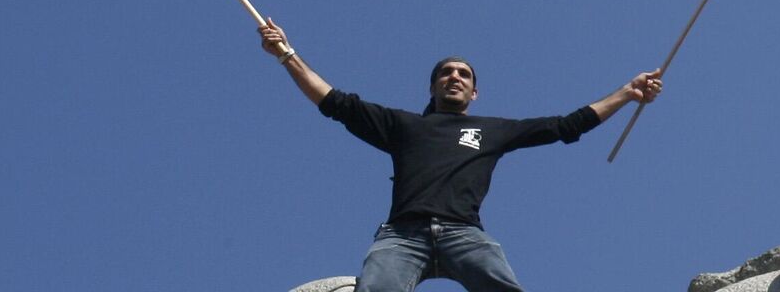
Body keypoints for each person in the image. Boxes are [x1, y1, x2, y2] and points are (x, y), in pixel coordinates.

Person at [258, 20, 663, 292]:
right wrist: (286, 54)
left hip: (464, 234)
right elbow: (335, 103)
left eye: (463, 74)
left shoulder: (494, 130)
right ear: (432, 87)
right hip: (402, 235)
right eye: (446, 73)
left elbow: (566, 125)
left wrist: (627, 93)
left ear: (474, 93)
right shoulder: (404, 126)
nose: (454, 76)